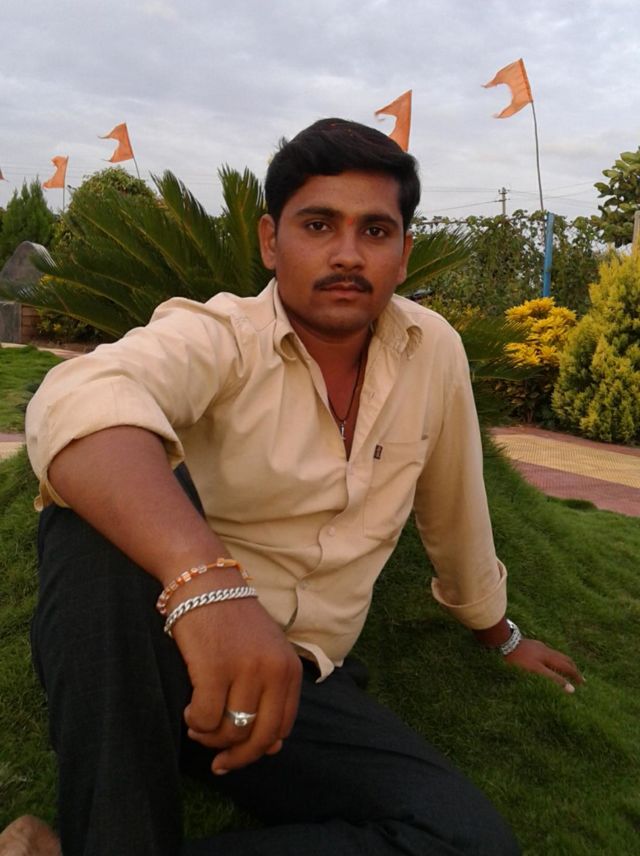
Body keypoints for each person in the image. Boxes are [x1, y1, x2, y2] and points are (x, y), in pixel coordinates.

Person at [2, 118, 582, 856]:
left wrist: (498, 632)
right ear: (271, 241)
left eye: (375, 231)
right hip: (150, 661)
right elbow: (78, 397)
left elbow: (455, 503)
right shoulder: (221, 337)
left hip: (298, 685)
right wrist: (209, 588)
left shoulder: (432, 350)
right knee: (89, 509)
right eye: (318, 225)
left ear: (404, 254)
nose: (347, 254)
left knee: (466, 840)